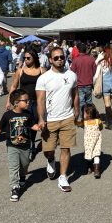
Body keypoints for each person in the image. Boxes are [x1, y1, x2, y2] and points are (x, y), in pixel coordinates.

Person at [36, 47, 79, 193]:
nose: (60, 59)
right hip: (50, 120)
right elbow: (40, 100)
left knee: (65, 148)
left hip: (67, 117)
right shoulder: (44, 78)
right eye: (56, 58)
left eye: (62, 57)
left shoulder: (72, 75)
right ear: (50, 60)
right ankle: (51, 160)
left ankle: (63, 177)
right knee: (48, 150)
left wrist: (77, 110)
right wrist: (41, 118)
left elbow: (75, 94)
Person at [0, 89, 40, 202]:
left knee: (25, 164)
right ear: (16, 102)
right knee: (13, 167)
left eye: (29, 100)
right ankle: (14, 187)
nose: (28, 102)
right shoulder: (8, 115)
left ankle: (22, 177)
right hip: (12, 146)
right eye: (26, 100)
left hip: (26, 146)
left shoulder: (28, 114)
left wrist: (40, 127)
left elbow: (33, 126)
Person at [8, 48, 47, 160]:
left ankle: (32, 144)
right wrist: (9, 101)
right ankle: (26, 145)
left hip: (37, 102)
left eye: (28, 58)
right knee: (23, 124)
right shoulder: (20, 70)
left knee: (33, 124)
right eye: (24, 58)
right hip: (22, 103)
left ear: (34, 58)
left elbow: (48, 88)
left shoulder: (42, 70)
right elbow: (14, 86)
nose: (26, 60)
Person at [93, 47, 112, 130]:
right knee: (109, 101)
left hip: (105, 84)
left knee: (107, 103)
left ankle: (110, 122)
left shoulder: (102, 62)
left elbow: (96, 75)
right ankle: (108, 119)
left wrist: (93, 83)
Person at [70, 42, 97, 127]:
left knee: (81, 102)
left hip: (79, 85)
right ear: (86, 49)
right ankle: (90, 118)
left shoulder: (76, 60)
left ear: (78, 50)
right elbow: (94, 72)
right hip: (89, 83)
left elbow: (72, 72)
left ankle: (83, 119)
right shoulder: (91, 59)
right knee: (89, 102)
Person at [83, 103, 103, 179]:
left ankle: (89, 168)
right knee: (96, 154)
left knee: (88, 154)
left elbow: (78, 124)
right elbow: (101, 128)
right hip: (97, 140)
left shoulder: (84, 122)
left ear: (88, 114)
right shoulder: (98, 121)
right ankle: (97, 170)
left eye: (84, 113)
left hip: (88, 142)